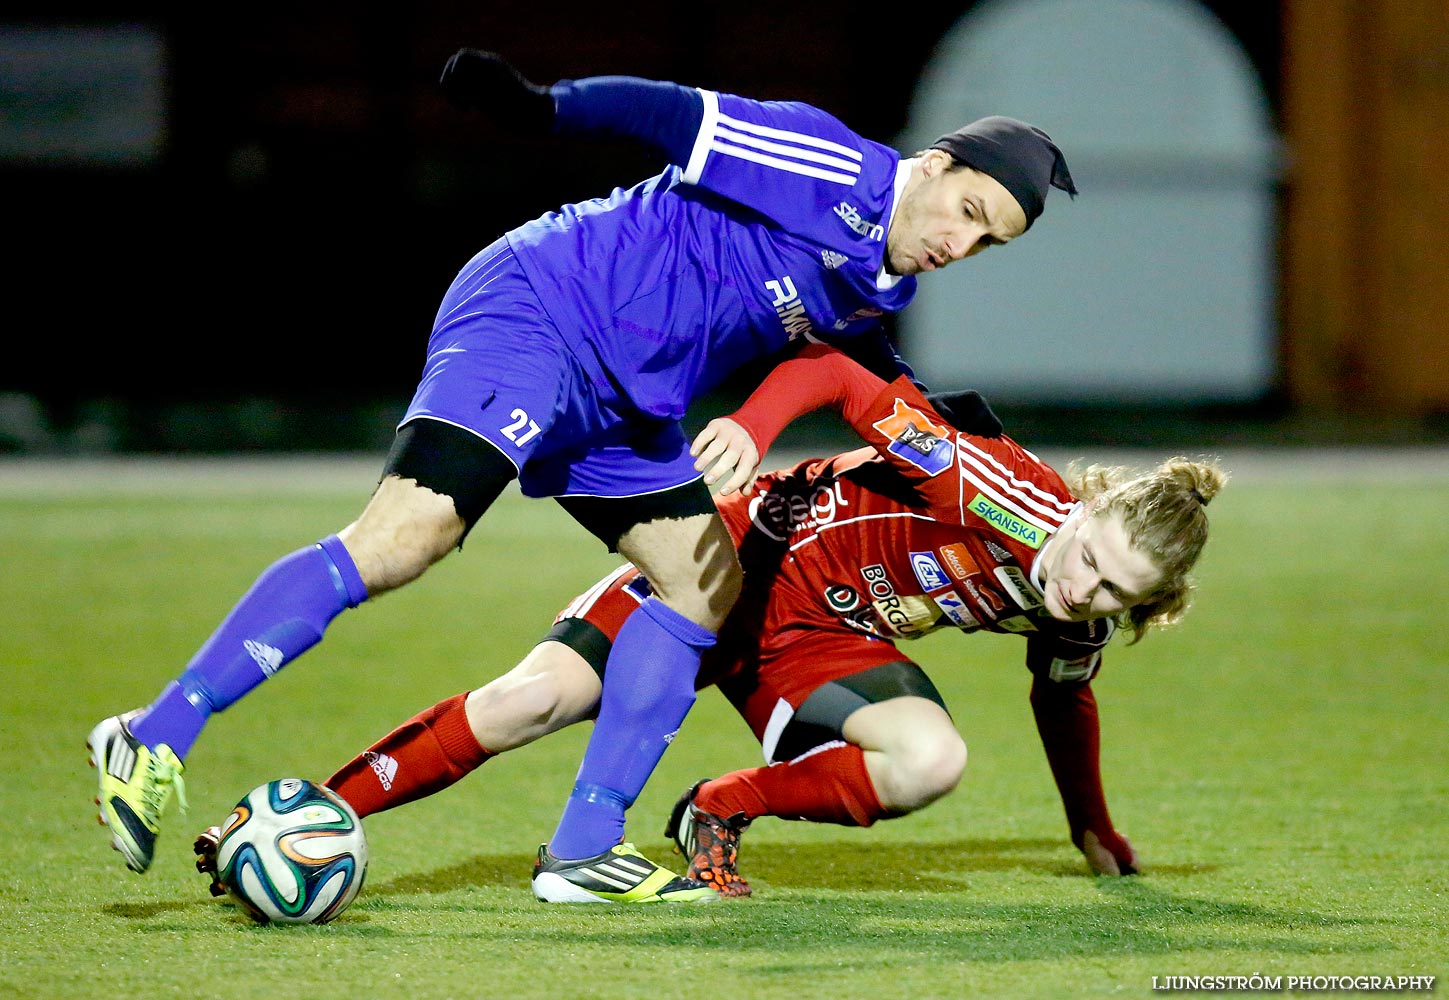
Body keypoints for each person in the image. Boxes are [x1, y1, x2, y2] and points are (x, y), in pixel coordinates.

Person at [88, 47, 1080, 900]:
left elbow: (865, 366)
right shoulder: (831, 162)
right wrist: (539, 104)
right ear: (940, 163)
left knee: (705, 583)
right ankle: (155, 733)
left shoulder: (881, 276)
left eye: (989, 240)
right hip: (544, 309)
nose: (965, 241)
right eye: (969, 210)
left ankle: (583, 849)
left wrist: (948, 427)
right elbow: (674, 113)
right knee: (406, 538)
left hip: (628, 403)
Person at [195, 347, 1225, 901]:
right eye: (1088, 557)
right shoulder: (993, 486)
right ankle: (304, 817)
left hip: (816, 640)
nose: (1077, 590)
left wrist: (1089, 826)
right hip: (729, 558)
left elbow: (1062, 702)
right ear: (1084, 508)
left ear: (1139, 607)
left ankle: (720, 809)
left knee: (928, 760)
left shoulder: (1078, 617)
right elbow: (838, 372)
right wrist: (755, 425)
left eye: (1109, 595)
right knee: (530, 701)